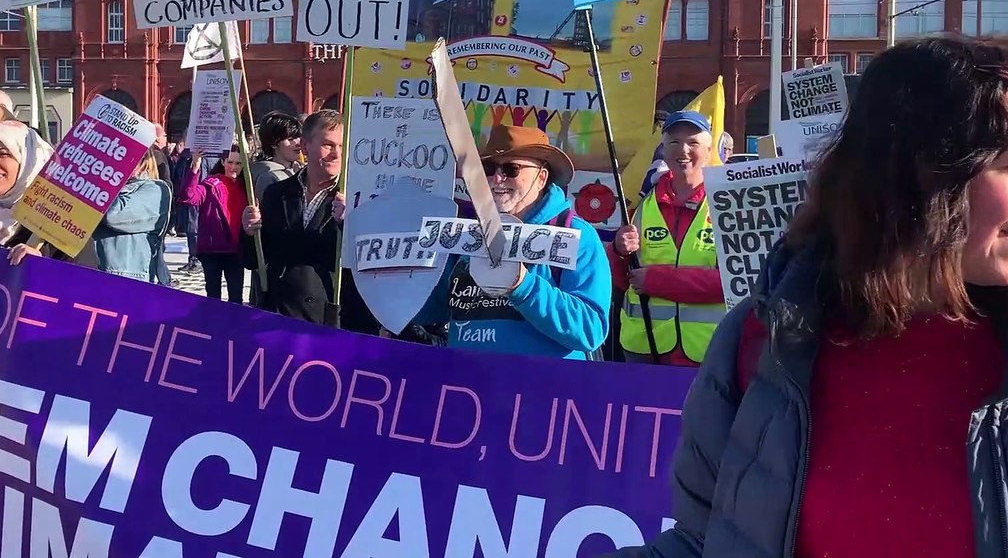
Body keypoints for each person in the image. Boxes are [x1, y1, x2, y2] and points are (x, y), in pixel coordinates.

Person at [617, 36, 1008, 558]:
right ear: (916, 174)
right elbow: (701, 541)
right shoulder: (762, 341)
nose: (682, 151)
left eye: (693, 141)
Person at [402, 125, 611, 359]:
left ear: (542, 177)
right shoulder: (465, 233)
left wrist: (522, 285)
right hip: (469, 387)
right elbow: (433, 310)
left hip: (542, 390)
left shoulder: (576, 235)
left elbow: (590, 330)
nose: (497, 178)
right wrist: (394, 283)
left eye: (512, 169)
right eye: (489, 168)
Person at [608, 110, 725, 367]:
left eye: (693, 142)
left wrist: (657, 281)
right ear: (663, 147)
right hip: (643, 348)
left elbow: (733, 284)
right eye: (674, 141)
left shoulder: (727, 205)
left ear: (708, 149)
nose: (683, 150)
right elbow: (621, 280)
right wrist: (617, 250)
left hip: (707, 352)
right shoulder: (642, 204)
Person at [242, 110, 367, 326]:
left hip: (329, 319)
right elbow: (253, 259)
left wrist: (349, 223)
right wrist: (248, 231)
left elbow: (366, 264)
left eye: (341, 146)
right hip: (278, 316)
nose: (336, 154)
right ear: (306, 146)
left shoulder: (357, 198)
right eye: (328, 145)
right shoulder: (276, 193)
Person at [0, 120, 98, 267]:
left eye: (2, 154)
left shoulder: (64, 225)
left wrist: (42, 268)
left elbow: (84, 286)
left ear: (30, 162)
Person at [93, 146, 173, 284]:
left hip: (124, 280)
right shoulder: (111, 188)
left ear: (143, 162)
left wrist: (96, 181)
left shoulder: (155, 189)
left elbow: (114, 215)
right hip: (94, 274)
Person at [179, 146, 248, 303]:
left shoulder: (247, 187)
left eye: (238, 163)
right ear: (223, 161)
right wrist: (195, 165)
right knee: (213, 298)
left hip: (236, 250)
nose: (234, 167)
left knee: (236, 298)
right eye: (230, 162)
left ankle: (234, 327)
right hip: (212, 250)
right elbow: (188, 196)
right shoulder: (211, 184)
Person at [250, 111, 304, 202]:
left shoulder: (300, 169)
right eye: (290, 139)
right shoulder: (267, 177)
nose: (298, 143)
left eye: (298, 137)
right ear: (274, 143)